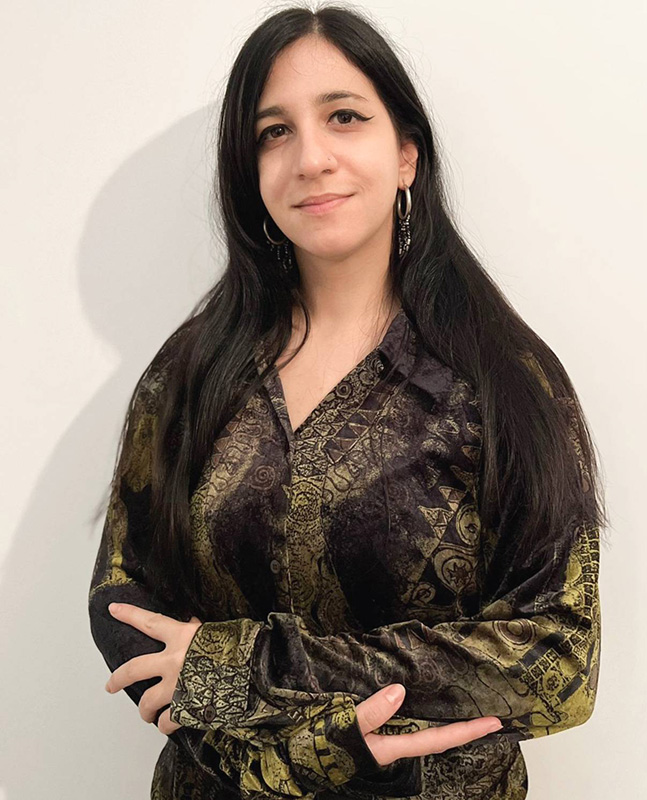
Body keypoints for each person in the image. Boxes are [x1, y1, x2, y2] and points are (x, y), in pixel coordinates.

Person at [88, 4, 606, 799]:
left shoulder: (504, 378)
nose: (310, 158)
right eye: (273, 132)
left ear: (405, 155)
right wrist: (281, 759)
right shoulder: (191, 370)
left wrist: (247, 667)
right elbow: (125, 606)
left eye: (343, 117)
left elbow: (558, 663)